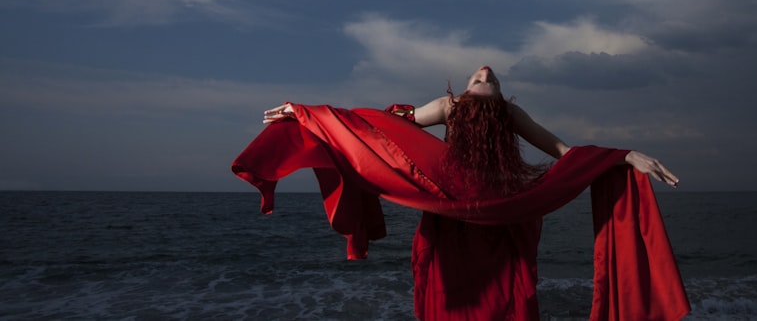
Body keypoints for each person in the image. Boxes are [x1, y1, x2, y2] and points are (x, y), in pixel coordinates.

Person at [236, 65, 689, 321]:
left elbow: (566, 154)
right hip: (451, 217)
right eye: (477, 72)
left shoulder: (511, 115)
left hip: (503, 220)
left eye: (487, 74)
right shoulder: (449, 106)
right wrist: (307, 116)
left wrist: (624, 157)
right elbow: (380, 130)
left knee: (510, 305)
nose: (484, 68)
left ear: (498, 93)